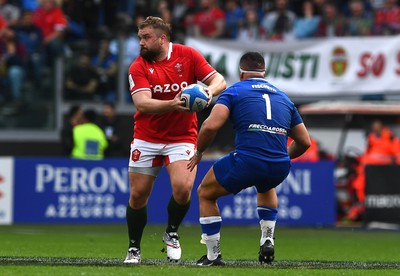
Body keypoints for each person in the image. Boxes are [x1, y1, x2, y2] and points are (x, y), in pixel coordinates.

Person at [187, 52, 311, 266]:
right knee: (266, 185)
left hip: (248, 160)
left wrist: (199, 152)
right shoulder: (284, 97)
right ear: (264, 72)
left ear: (241, 73)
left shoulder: (234, 91)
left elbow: (210, 125)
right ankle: (268, 238)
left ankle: (212, 255)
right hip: (279, 166)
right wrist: (283, 157)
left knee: (205, 193)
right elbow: (305, 142)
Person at [123, 16, 226, 264]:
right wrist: (174, 103)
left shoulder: (187, 55)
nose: (141, 42)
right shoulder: (138, 66)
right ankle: (134, 248)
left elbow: (219, 80)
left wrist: (207, 92)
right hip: (146, 137)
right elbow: (142, 103)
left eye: (146, 37)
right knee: (138, 196)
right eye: (140, 37)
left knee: (182, 189)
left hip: (182, 137)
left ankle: (171, 232)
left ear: (163, 38)